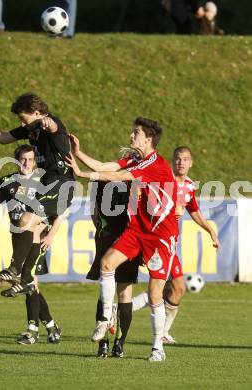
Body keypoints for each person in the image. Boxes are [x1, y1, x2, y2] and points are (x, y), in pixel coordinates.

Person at [67, 117, 178, 362]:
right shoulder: (137, 160)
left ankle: (157, 348)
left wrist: (81, 173)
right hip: (137, 230)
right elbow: (109, 166)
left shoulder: (156, 164)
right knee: (106, 264)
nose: (131, 136)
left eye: (135, 133)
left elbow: (118, 177)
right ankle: (105, 318)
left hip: (160, 236)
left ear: (148, 139)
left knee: (155, 294)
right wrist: (79, 153)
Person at [0, 93, 75, 294]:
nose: (22, 122)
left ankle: (16, 270)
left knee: (25, 221)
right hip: (48, 183)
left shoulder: (50, 123)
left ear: (37, 113)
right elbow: (4, 137)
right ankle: (26, 279)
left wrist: (48, 124)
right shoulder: (30, 130)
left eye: (24, 118)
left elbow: (55, 127)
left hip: (61, 183)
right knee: (32, 228)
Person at [0, 144, 62, 345]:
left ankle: (32, 331)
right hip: (19, 239)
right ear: (16, 160)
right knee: (29, 283)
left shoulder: (44, 180)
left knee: (29, 281)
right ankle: (51, 326)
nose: (27, 163)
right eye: (23, 159)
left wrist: (51, 236)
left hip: (38, 237)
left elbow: (61, 212)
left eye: (30, 159)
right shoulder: (7, 181)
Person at [132, 146, 220, 344]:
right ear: (172, 161)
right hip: (155, 240)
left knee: (173, 289)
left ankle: (126, 311)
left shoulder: (189, 186)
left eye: (185, 159)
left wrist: (211, 231)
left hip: (169, 242)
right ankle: (157, 331)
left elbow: (194, 211)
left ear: (191, 163)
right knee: (175, 287)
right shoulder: (163, 179)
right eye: (178, 159)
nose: (181, 162)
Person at [70, 134, 140, 358]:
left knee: (107, 293)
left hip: (109, 236)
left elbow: (94, 212)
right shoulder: (134, 177)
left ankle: (106, 344)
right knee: (123, 293)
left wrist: (101, 232)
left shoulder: (103, 179)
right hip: (127, 237)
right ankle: (118, 344)